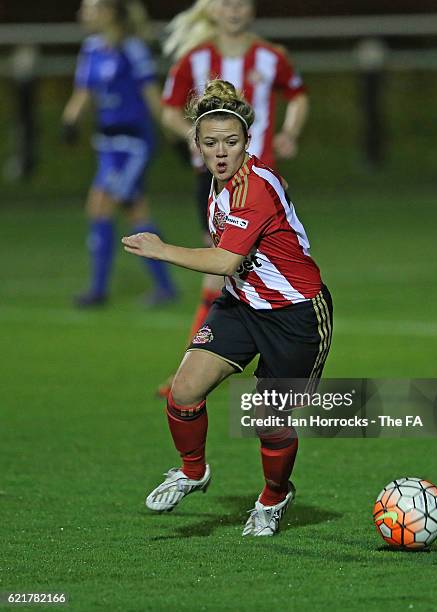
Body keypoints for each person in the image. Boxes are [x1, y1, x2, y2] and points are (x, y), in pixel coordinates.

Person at [122, 80, 332, 536]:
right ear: (196, 145)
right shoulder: (217, 186)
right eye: (211, 143)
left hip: (296, 316)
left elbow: (225, 260)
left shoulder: (256, 187)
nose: (221, 152)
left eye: (231, 142)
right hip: (241, 304)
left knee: (265, 420)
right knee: (184, 391)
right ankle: (193, 471)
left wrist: (161, 249)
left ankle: (275, 497)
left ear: (247, 143)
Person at [156, 0, 309, 393]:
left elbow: (298, 95)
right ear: (212, 10)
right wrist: (192, 141)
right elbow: (169, 109)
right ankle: (207, 362)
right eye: (226, 3)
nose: (235, 11)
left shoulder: (272, 57)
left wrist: (290, 132)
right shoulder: (196, 57)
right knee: (224, 271)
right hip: (213, 183)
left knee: (231, 268)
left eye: (241, 3)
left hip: (261, 183)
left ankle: (201, 365)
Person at [62, 0, 177, 307]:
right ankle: (162, 287)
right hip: (107, 144)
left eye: (90, 7)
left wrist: (172, 131)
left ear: (109, 12)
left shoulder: (133, 49)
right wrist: (70, 120)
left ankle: (101, 291)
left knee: (106, 205)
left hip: (133, 144)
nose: (82, 13)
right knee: (129, 210)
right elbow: (84, 92)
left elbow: (151, 93)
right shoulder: (91, 49)